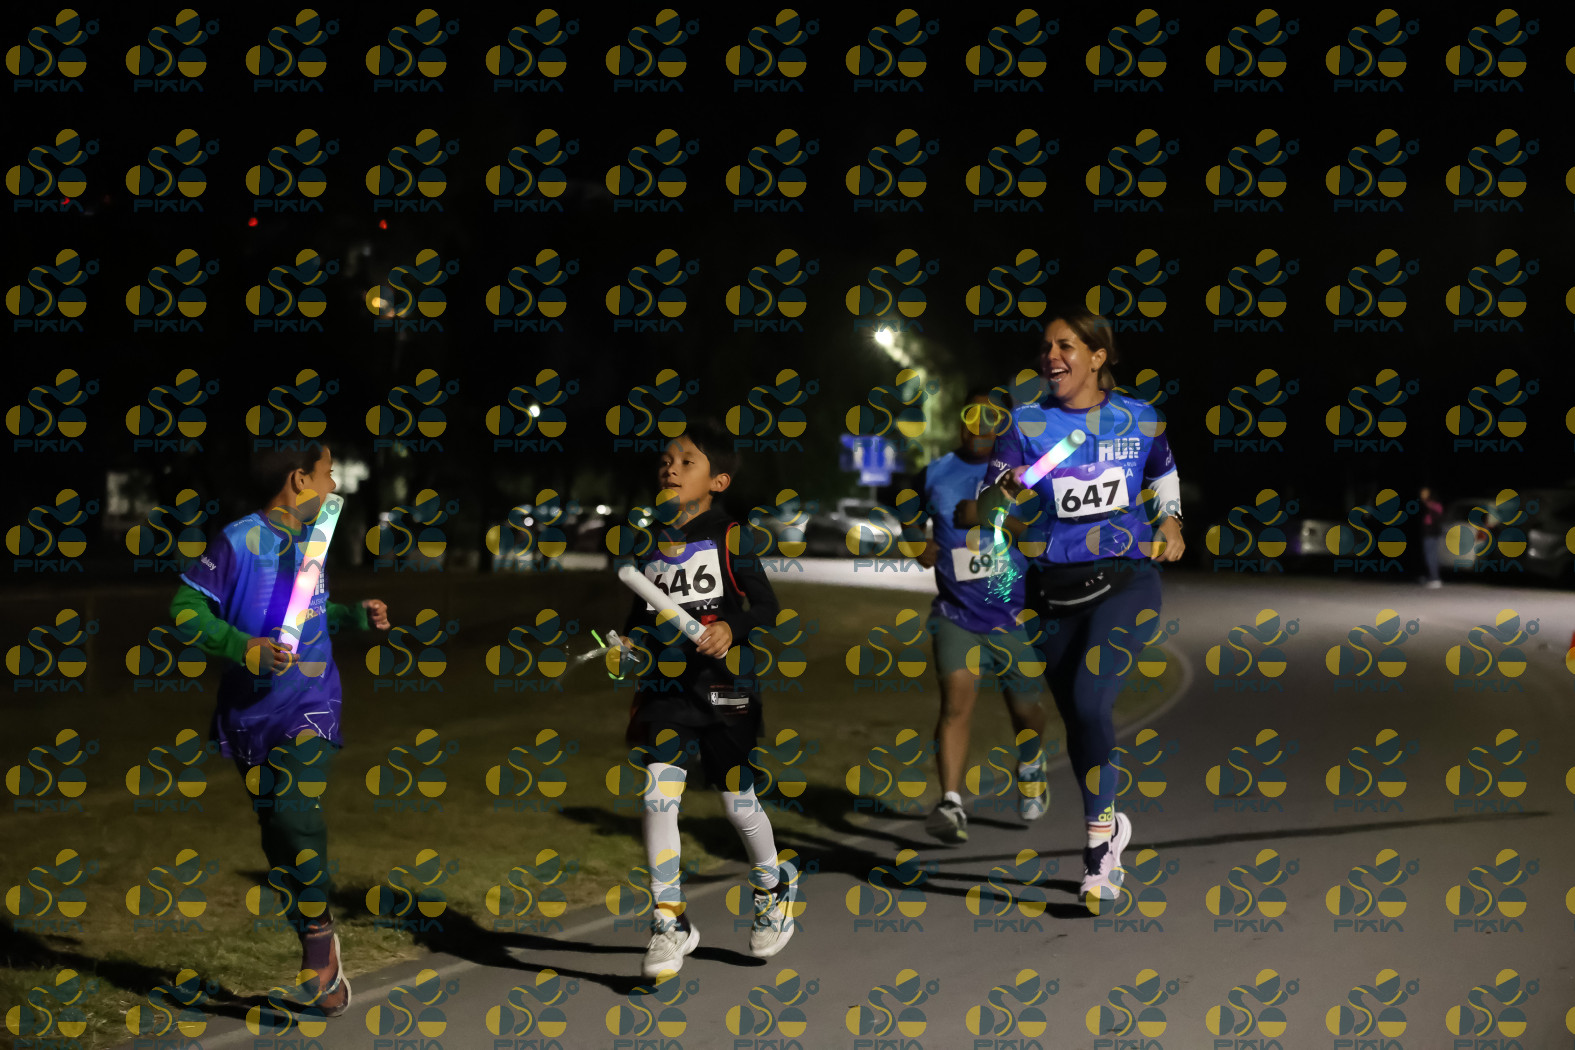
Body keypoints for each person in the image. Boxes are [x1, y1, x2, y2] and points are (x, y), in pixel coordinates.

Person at [170, 440, 389, 1017]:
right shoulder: (238, 541)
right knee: (278, 838)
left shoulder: (313, 542)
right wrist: (243, 648)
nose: (334, 486)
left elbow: (311, 615)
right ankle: (321, 954)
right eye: (327, 474)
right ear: (299, 480)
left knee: (295, 811)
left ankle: (318, 951)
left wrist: (352, 615)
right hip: (250, 715)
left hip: (311, 703)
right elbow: (185, 611)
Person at [978, 310, 1185, 903]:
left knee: (1093, 697)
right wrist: (1004, 492)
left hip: (1127, 580)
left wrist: (1171, 519)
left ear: (1097, 357)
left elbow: (1163, 471)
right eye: (1046, 346)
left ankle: (1098, 854)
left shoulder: (1139, 417)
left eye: (1066, 345)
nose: (1051, 356)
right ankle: (1109, 822)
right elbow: (987, 505)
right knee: (1081, 720)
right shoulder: (1025, 424)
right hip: (1053, 592)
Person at [612, 420, 797, 978]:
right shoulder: (648, 541)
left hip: (725, 687)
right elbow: (642, 617)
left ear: (717, 481)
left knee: (738, 801)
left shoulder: (732, 536)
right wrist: (628, 646)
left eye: (686, 461)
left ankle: (772, 886)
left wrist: (731, 629)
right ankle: (668, 921)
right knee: (657, 796)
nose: (670, 467)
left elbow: (766, 607)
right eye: (666, 460)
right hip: (667, 691)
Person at [915, 389, 1050, 845]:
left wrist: (987, 516)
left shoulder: (1027, 473)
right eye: (972, 415)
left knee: (1027, 711)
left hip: (1014, 617)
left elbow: (1042, 537)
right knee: (956, 704)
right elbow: (911, 520)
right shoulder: (935, 472)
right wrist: (917, 544)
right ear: (960, 421)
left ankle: (1031, 763)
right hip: (956, 614)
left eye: (993, 418)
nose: (980, 425)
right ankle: (951, 802)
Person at [1419, 485, 1443, 588]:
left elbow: (1435, 521)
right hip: (1429, 534)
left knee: (1431, 557)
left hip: (1432, 535)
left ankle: (1435, 579)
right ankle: (1431, 577)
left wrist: (1429, 505)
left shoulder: (1436, 507)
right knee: (1429, 556)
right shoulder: (1430, 508)